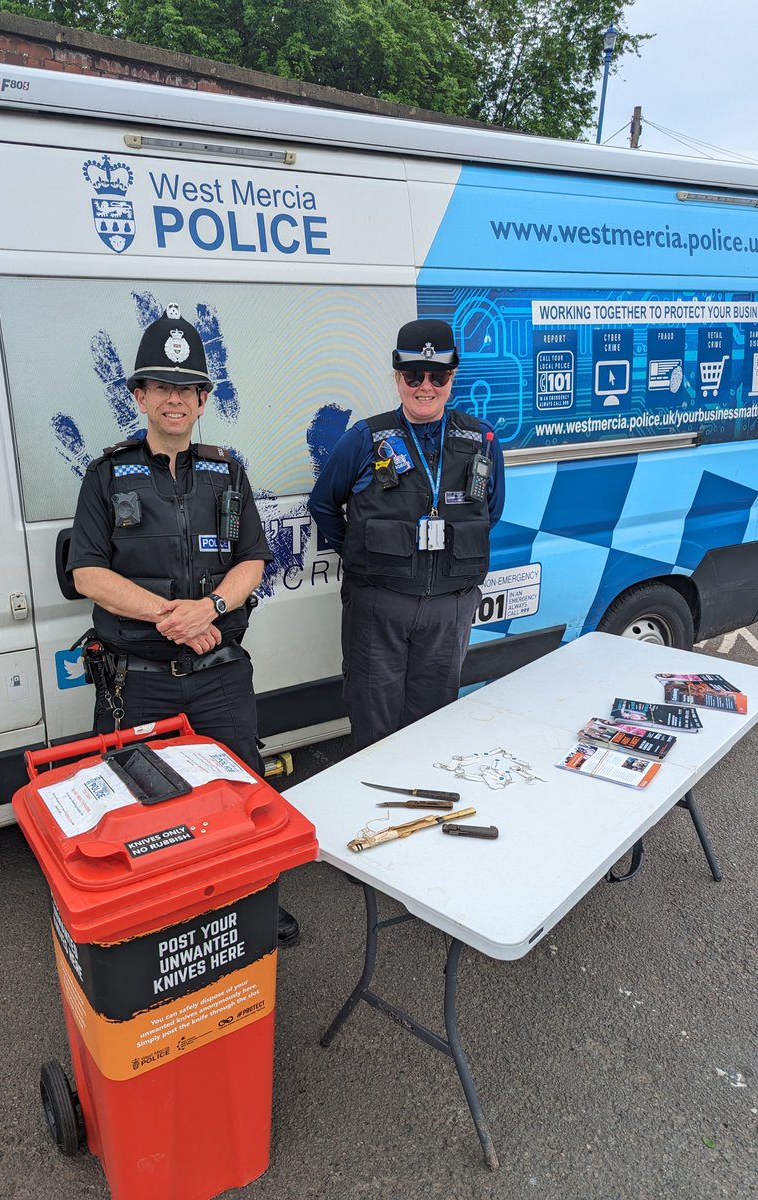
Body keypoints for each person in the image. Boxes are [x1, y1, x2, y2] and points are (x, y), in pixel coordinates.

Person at [68, 303, 299, 945]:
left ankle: (251, 906)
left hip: (218, 673)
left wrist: (213, 610)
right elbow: (88, 573)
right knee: (137, 803)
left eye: (188, 389)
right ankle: (151, 922)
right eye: (162, 387)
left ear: (203, 401)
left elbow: (254, 559)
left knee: (242, 794)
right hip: (136, 679)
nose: (175, 400)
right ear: (139, 395)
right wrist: (173, 617)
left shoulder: (228, 472)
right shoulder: (107, 475)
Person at [308, 318, 505, 751]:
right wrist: (359, 552)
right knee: (373, 729)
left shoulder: (483, 441)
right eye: (414, 375)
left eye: (437, 376)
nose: (425, 386)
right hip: (378, 607)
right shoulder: (364, 438)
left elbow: (490, 512)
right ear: (398, 376)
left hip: (447, 612)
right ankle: (374, 818)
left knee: (432, 732)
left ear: (452, 377)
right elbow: (322, 504)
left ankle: (425, 813)